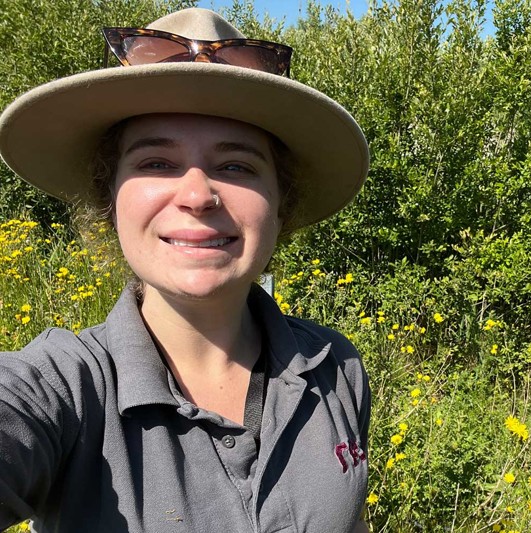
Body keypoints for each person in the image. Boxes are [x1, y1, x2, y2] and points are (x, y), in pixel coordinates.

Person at [0, 8, 371, 533]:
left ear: (280, 204)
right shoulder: (59, 388)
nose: (197, 195)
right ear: (110, 199)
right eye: (156, 162)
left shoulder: (337, 370)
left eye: (236, 166)